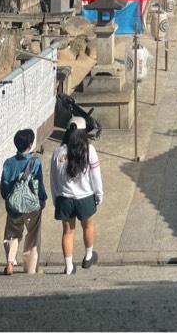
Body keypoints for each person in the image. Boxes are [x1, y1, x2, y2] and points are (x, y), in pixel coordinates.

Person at [51, 116, 103, 274]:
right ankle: (88, 256)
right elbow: (96, 176)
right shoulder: (89, 150)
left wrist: (56, 198)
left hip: (64, 199)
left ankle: (68, 266)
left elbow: (53, 179)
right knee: (88, 226)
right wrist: (99, 194)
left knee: (67, 231)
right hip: (85, 197)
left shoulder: (58, 153)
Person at [0, 128, 47, 276]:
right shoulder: (35, 162)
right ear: (30, 144)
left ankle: (10, 262)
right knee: (33, 234)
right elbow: (39, 184)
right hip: (31, 206)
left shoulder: (8, 163)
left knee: (12, 234)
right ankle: (31, 268)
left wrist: (8, 199)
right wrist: (42, 199)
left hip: (14, 207)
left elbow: (4, 187)